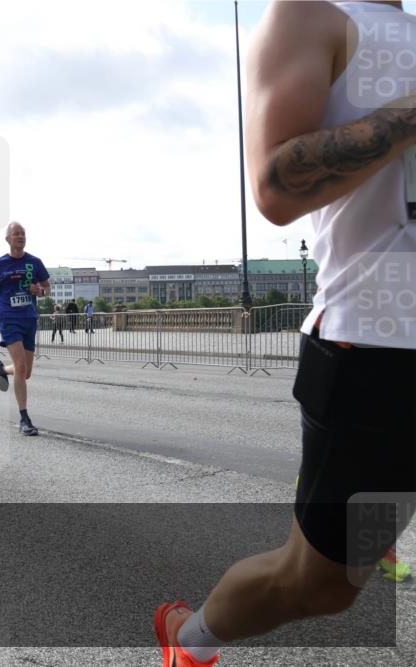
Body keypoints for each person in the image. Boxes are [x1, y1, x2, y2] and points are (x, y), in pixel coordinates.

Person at [155, 3, 416, 666]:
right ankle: (190, 638)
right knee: (322, 584)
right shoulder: (313, 14)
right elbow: (276, 185)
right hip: (381, 354)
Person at [0, 222, 51, 436]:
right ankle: (24, 419)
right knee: (21, 367)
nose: (20, 237)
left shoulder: (34, 262)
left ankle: (2, 370)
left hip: (29, 318)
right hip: (9, 318)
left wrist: (40, 291)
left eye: (23, 234)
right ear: (8, 239)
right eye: (16, 234)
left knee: (26, 372)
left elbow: (47, 288)